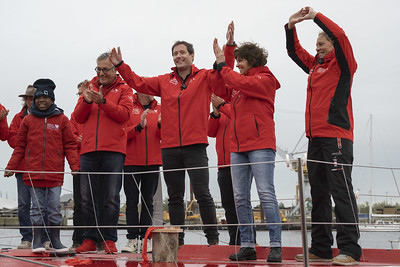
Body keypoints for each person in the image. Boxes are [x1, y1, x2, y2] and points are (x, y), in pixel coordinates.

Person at [108, 22, 237, 246]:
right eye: (175, 53)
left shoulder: (205, 76)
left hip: (195, 145)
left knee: (203, 194)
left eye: (182, 52)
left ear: (192, 56)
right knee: (175, 198)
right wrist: (120, 64)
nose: (178, 56)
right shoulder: (164, 81)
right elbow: (137, 82)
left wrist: (227, 51)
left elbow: (225, 80)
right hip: (169, 148)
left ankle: (213, 241)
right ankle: (179, 241)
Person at [285, 7, 361, 265]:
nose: (317, 47)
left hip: (336, 137)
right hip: (315, 139)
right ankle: (320, 247)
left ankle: (350, 249)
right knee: (318, 194)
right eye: (316, 44)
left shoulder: (344, 65)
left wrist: (316, 16)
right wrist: (291, 26)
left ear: (332, 45)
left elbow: (340, 35)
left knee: (341, 191)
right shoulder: (314, 67)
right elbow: (294, 51)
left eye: (322, 43)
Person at [212, 37, 282, 262]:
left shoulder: (266, 79)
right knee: (240, 198)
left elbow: (236, 79)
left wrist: (224, 64)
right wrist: (225, 56)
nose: (238, 65)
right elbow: (227, 94)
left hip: (261, 144)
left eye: (241, 61)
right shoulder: (239, 85)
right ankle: (248, 245)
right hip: (238, 146)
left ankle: (276, 246)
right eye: (237, 61)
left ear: (252, 61)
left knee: (265, 195)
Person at [4, 79, 79, 253]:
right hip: (33, 174)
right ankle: (37, 242)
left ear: (52, 99)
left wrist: (74, 166)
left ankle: (55, 242)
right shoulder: (27, 120)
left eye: (45, 98)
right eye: (38, 98)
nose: (41, 101)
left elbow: (70, 144)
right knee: (36, 209)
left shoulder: (62, 119)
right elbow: (20, 147)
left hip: (55, 175)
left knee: (53, 209)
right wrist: (11, 166)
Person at [73, 52, 133, 254]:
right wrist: (87, 100)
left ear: (115, 69)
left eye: (105, 69)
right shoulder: (89, 88)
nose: (101, 73)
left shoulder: (125, 89)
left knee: (111, 197)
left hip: (114, 151)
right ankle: (89, 239)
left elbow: (124, 115)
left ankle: (109, 240)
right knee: (86, 198)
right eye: (98, 69)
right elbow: (78, 118)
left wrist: (103, 102)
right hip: (88, 150)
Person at [7, 85, 50, 249]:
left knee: (41, 205)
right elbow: (12, 140)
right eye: (29, 98)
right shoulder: (17, 118)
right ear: (25, 100)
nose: (31, 101)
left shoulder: (48, 116)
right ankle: (26, 238)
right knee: (24, 204)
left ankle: (44, 238)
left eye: (34, 97)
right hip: (22, 169)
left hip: (41, 168)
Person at [121, 92, 161, 253]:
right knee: (131, 201)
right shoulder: (128, 106)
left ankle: (146, 238)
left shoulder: (160, 109)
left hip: (152, 162)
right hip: (130, 162)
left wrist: (160, 125)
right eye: (148, 90)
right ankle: (132, 240)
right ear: (140, 93)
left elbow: (163, 136)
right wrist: (139, 127)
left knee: (148, 202)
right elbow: (122, 133)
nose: (152, 93)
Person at [207, 94, 240, 245]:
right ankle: (235, 240)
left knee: (241, 202)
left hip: (239, 162)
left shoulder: (236, 106)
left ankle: (249, 239)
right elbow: (210, 132)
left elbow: (240, 118)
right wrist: (215, 114)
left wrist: (222, 107)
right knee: (228, 205)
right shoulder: (221, 110)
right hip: (223, 164)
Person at [68, 81, 86, 252]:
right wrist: (77, 139)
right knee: (79, 205)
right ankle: (77, 239)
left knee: (99, 203)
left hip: (97, 164)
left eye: (84, 92)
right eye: (79, 93)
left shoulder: (97, 111)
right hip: (79, 166)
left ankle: (98, 239)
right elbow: (70, 138)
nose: (81, 96)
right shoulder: (74, 116)